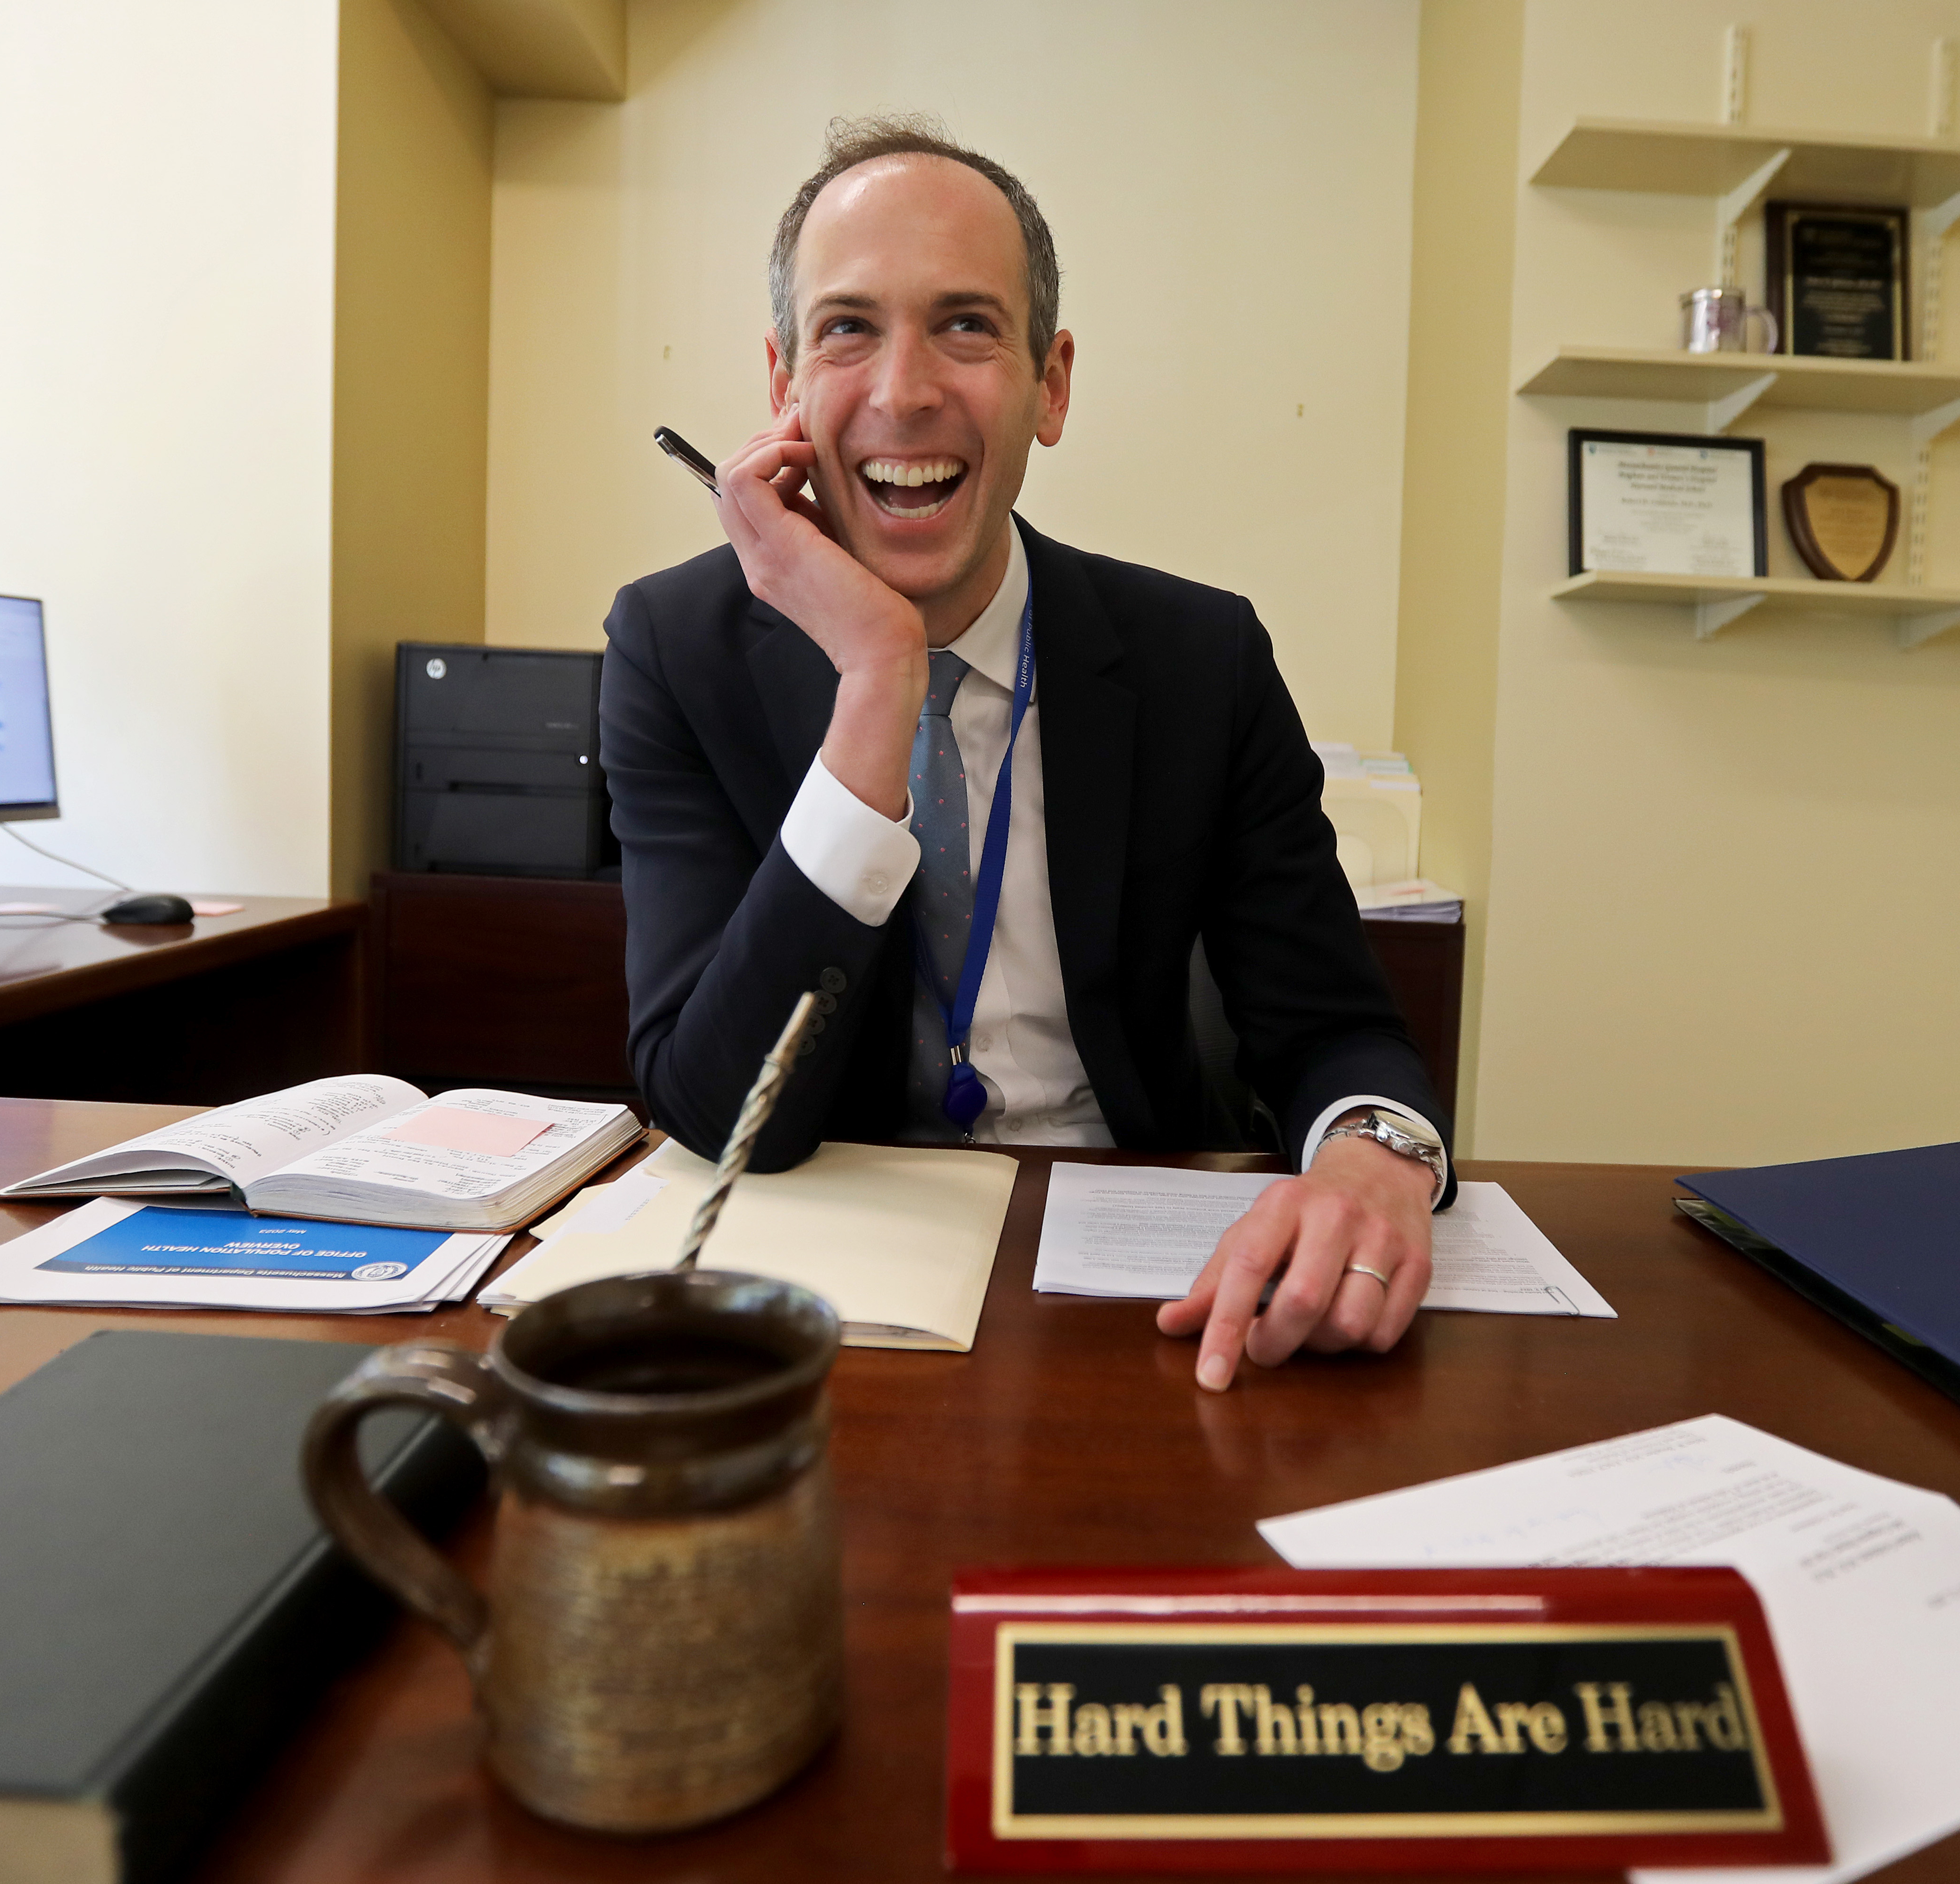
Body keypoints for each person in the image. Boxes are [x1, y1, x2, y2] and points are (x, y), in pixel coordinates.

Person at [600, 117, 1453, 1392]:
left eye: (964, 325)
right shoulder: (675, 644)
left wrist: (1374, 1160)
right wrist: (876, 679)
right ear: (782, 385)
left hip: (1149, 1295)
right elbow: (723, 1114)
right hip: (823, 1293)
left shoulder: (1199, 658)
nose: (903, 392)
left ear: (1050, 384)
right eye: (846, 328)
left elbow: (1338, 1032)